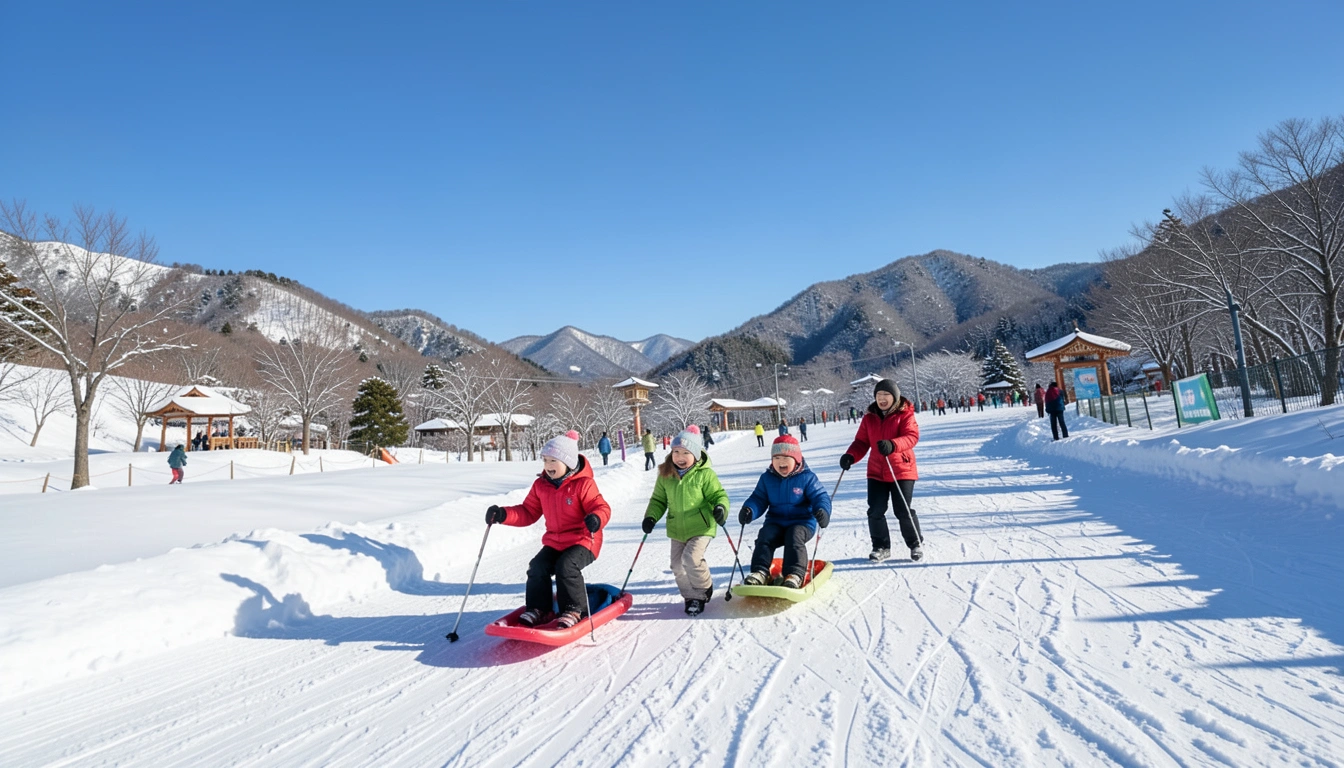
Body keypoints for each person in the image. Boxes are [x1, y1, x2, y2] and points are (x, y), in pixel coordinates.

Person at [485, 431, 610, 629]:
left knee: (566, 566)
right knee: (537, 567)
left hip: (585, 540)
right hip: (556, 542)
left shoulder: (584, 484)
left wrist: (596, 518)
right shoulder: (541, 486)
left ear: (568, 462)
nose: (548, 466)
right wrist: (503, 514)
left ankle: (574, 610)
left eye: (553, 460)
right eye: (545, 460)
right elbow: (528, 512)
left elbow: (601, 507)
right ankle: (540, 609)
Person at [642, 426, 729, 615]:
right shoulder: (666, 475)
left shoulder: (704, 474)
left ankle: (703, 590)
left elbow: (718, 495)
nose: (680, 457)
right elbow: (658, 500)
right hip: (677, 529)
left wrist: (721, 508)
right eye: (676, 452)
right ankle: (690, 596)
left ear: (696, 455)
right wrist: (651, 516)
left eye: (685, 453)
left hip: (701, 526)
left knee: (691, 558)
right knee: (676, 565)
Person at [840, 378, 923, 563]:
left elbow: (912, 436)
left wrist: (893, 445)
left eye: (886, 395)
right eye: (879, 395)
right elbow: (861, 442)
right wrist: (851, 456)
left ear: (895, 396)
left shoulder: (905, 414)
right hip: (877, 471)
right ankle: (881, 546)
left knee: (902, 509)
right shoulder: (869, 418)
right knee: (875, 510)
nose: (882, 399)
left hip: (901, 469)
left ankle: (915, 543)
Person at [739, 435, 831, 589]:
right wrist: (750, 509)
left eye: (786, 457)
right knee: (765, 536)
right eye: (776, 457)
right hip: (776, 522)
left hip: (802, 522)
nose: (781, 462)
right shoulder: (767, 478)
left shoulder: (807, 478)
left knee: (794, 536)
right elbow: (758, 498)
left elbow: (820, 496)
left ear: (796, 459)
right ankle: (760, 571)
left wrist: (822, 511)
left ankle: (794, 574)